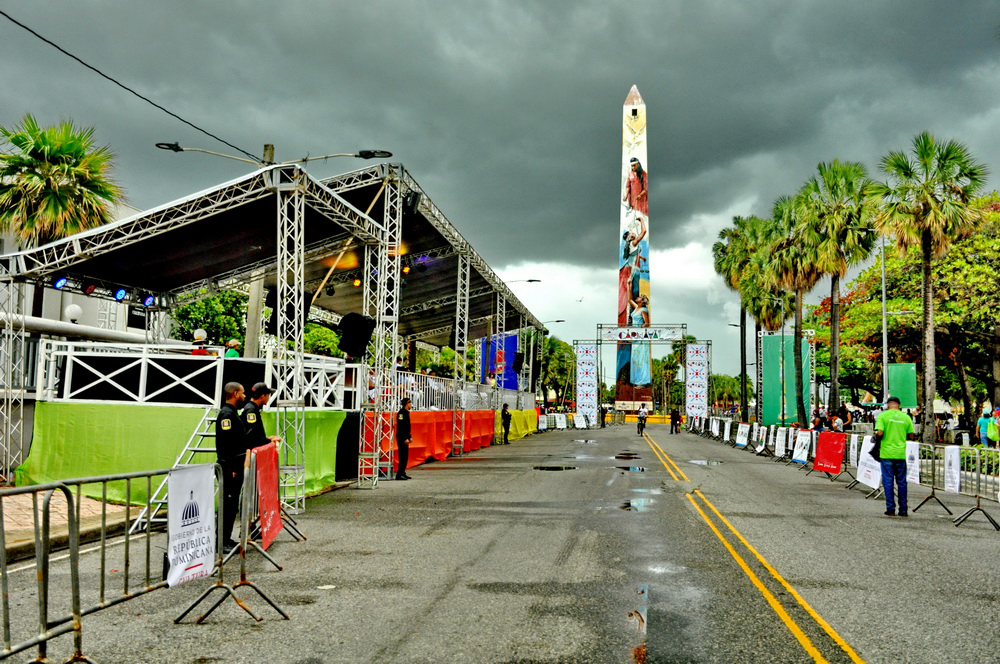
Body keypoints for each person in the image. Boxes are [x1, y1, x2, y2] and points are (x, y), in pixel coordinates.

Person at [216, 382, 248, 550]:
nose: (244, 396)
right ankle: (221, 542)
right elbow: (227, 445)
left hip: (233, 467)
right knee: (227, 506)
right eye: (242, 393)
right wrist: (232, 469)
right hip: (230, 469)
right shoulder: (227, 415)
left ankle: (226, 539)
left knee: (231, 506)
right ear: (235, 394)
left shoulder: (233, 413)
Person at [874, 395, 915, 517]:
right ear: (899, 405)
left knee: (888, 481)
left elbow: (880, 432)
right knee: (902, 482)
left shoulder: (883, 416)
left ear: (887, 405)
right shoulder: (906, 417)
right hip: (900, 453)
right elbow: (911, 435)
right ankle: (903, 510)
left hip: (886, 453)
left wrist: (877, 436)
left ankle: (890, 509)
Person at [241, 382, 281, 450]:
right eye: (268, 395)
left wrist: (267, 438)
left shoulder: (252, 408)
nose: (268, 398)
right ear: (262, 396)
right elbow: (251, 437)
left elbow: (255, 435)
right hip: (250, 452)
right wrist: (268, 441)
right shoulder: (251, 411)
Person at [395, 398, 413, 480]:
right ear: (407, 403)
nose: (411, 404)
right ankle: (399, 473)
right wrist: (404, 438)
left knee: (405, 456)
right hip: (401, 437)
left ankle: (403, 472)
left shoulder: (406, 413)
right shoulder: (401, 413)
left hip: (405, 437)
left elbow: (407, 427)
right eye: (410, 403)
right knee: (402, 455)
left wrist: (410, 437)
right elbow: (401, 427)